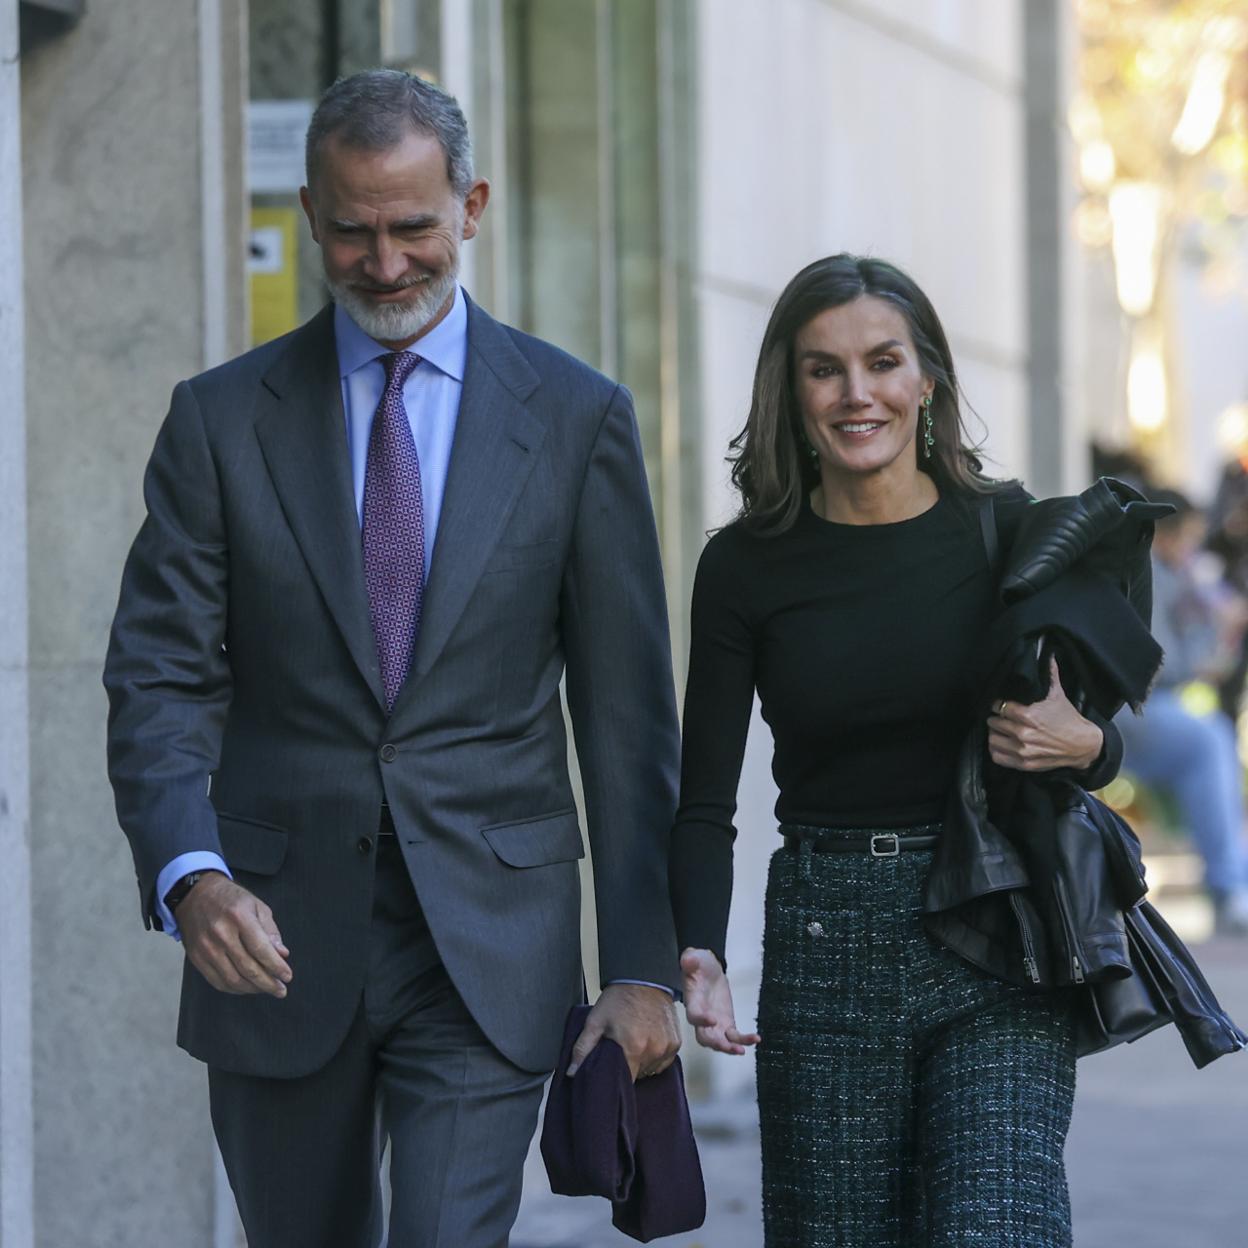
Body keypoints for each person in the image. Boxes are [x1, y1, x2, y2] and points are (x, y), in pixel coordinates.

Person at [104, 69, 681, 1248]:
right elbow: (160, 671)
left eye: (413, 227)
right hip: (273, 936)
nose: (385, 263)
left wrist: (642, 966)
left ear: (471, 207)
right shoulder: (219, 423)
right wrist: (190, 874)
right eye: (354, 231)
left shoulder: (577, 420)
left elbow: (626, 721)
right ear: (311, 216)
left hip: (487, 942)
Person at [668, 255, 1121, 1246]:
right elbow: (703, 796)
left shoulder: (1008, 532)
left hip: (996, 921)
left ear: (929, 380)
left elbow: (1091, 736)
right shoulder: (745, 565)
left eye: (883, 362)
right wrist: (697, 949)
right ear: (790, 391)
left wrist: (1084, 742)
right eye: (824, 369)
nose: (857, 393)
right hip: (827, 933)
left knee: (999, 1227)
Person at [1115, 488, 1248, 935]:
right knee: (1207, 738)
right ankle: (1230, 885)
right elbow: (1161, 667)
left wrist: (1222, 633)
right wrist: (1221, 631)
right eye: (1188, 536)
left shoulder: (1173, 574)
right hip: (1121, 707)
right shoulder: (1147, 569)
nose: (1193, 548)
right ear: (1167, 535)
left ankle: (1231, 881)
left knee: (1208, 742)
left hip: (1136, 705)